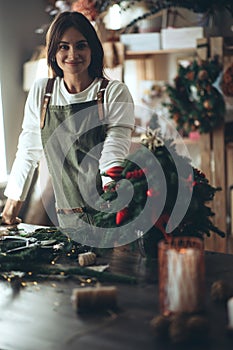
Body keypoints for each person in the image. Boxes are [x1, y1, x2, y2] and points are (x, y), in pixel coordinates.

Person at [1, 11, 135, 235]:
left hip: (110, 215)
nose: (73, 54)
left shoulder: (113, 92)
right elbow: (27, 152)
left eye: (81, 45)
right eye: (64, 46)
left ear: (92, 49)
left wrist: (110, 204)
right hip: (65, 217)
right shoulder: (42, 92)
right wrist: (11, 208)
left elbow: (114, 151)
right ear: (53, 52)